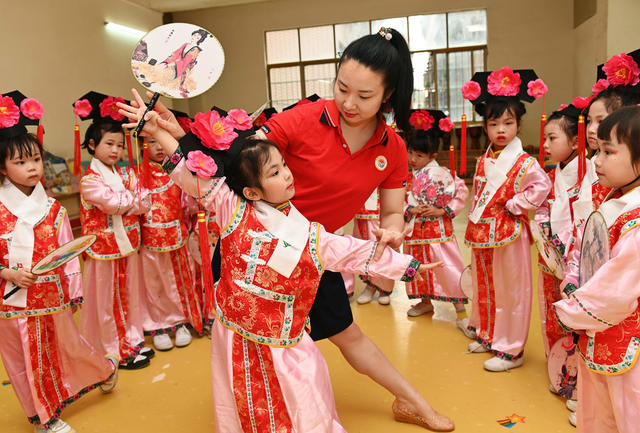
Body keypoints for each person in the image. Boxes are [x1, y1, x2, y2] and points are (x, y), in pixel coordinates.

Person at [120, 26, 454, 430]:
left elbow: (392, 213)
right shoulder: (304, 118)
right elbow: (238, 162)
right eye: (342, 87)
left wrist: (392, 231)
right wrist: (179, 136)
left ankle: (409, 400)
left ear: (388, 94)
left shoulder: (393, 149)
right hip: (252, 250)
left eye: (364, 96)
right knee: (251, 348)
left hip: (314, 252)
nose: (349, 102)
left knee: (346, 337)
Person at [0, 91, 117, 433]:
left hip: (52, 298)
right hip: (12, 302)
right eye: (20, 162)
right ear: (3, 167)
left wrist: (73, 291)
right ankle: (43, 418)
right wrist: (7, 272)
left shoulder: (54, 209)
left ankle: (102, 370)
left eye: (35, 159)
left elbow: (68, 253)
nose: (32, 167)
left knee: (65, 349)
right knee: (23, 362)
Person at [554, 106, 640, 433]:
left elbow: (615, 289)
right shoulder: (612, 200)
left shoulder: (636, 221)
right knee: (599, 411)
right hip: (597, 329)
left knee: (626, 412)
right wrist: (574, 277)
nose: (597, 160)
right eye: (597, 150)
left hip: (625, 337)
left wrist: (571, 309)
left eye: (608, 151)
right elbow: (588, 247)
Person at [461, 67, 552, 371]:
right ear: (485, 127)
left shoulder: (525, 161)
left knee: (511, 290)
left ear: (519, 124)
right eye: (494, 123)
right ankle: (488, 334)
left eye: (508, 123)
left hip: (509, 232)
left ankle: (511, 349)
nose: (501, 129)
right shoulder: (486, 157)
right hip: (483, 232)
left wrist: (517, 203)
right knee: (486, 285)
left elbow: (542, 186)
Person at [75, 91, 152, 370]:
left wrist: (127, 203)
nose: (115, 151)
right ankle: (112, 350)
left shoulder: (127, 174)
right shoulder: (89, 180)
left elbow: (146, 200)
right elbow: (113, 204)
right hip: (102, 249)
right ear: (93, 145)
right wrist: (130, 203)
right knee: (106, 303)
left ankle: (132, 341)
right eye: (109, 144)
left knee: (129, 296)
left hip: (127, 244)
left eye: (119, 145)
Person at [138, 137, 203, 350]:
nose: (158, 146)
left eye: (160, 140)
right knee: (154, 284)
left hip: (177, 236)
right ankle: (159, 325)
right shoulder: (137, 173)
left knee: (180, 282)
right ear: (141, 145)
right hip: (149, 240)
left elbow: (190, 203)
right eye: (150, 142)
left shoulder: (177, 171)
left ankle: (181, 322)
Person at [403, 109, 469, 317]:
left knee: (445, 265)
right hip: (414, 231)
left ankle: (459, 306)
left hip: (438, 230)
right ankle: (425, 302)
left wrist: (442, 210)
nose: (413, 159)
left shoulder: (443, 174)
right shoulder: (406, 176)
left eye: (419, 155)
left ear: (433, 156)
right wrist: (410, 209)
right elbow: (399, 199)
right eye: (410, 152)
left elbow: (461, 192)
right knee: (419, 266)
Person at [352, 188, 395, 305]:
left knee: (383, 252)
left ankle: (385, 290)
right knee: (364, 253)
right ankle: (370, 286)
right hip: (361, 215)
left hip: (382, 215)